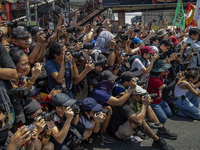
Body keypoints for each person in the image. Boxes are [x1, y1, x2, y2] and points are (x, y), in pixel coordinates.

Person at [109, 85, 176, 150]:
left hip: (125, 122)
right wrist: (144, 104)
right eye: (141, 96)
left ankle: (161, 129)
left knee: (147, 107)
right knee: (140, 120)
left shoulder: (131, 97)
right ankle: (157, 141)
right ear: (134, 96)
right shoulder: (125, 105)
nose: (143, 97)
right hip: (119, 131)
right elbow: (138, 121)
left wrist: (145, 105)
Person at [89, 70, 137, 143]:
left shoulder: (106, 87)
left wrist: (119, 96)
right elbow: (119, 102)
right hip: (92, 113)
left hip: (100, 106)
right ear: (104, 81)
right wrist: (131, 89)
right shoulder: (100, 91)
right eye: (111, 80)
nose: (113, 81)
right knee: (108, 109)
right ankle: (102, 133)